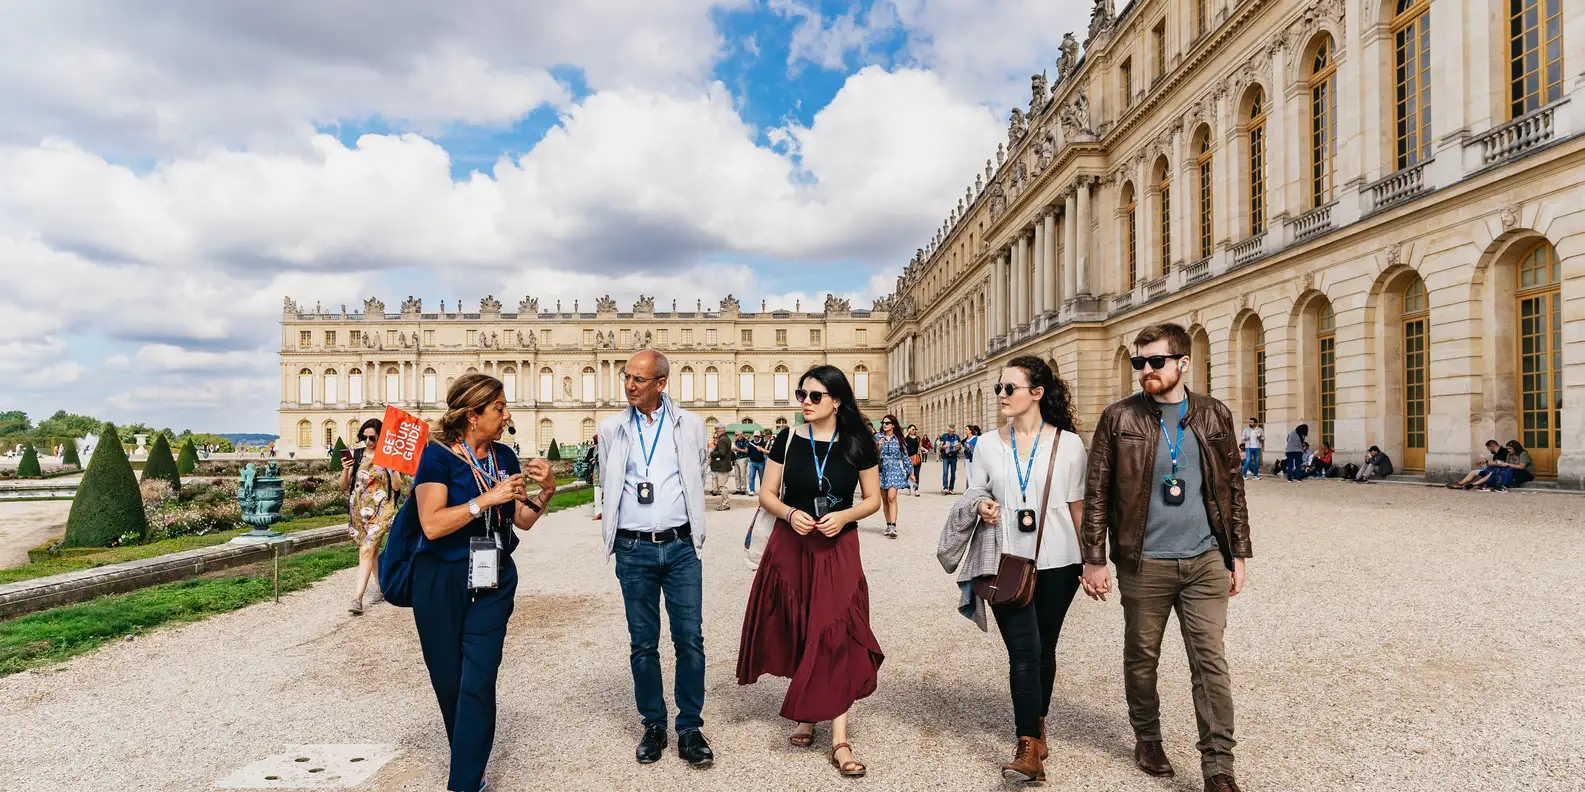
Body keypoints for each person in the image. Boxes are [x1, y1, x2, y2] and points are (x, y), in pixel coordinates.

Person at [1080, 324, 1252, 792]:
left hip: (1205, 560)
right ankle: (1148, 738)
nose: (1146, 370)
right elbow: (1096, 491)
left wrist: (1238, 553)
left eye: (1156, 361)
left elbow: (1232, 488)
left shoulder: (1214, 414)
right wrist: (1093, 558)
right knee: (1142, 656)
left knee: (1210, 660)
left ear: (1183, 364)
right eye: (1140, 362)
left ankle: (1218, 766)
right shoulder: (1119, 418)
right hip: (1144, 560)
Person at [399, 373, 558, 792]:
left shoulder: (504, 456)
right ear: (473, 415)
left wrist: (546, 494)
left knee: (478, 680)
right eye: (500, 408)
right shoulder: (435, 459)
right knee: (449, 682)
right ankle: (470, 757)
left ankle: (465, 783)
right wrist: (484, 500)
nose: (508, 415)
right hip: (440, 580)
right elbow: (432, 526)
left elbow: (521, 518)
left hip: (493, 579)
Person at [944, 357, 1087, 784]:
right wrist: (981, 504)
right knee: (1023, 651)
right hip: (1004, 560)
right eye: (999, 389)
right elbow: (974, 490)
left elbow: (1078, 506)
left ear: (1037, 393)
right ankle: (1027, 744)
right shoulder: (987, 444)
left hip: (1060, 559)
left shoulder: (1069, 444)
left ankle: (1037, 724)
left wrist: (1094, 560)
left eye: (1010, 388)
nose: (1002, 395)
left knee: (1045, 650)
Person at [738, 365, 883, 779]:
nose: (805, 401)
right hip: (793, 544)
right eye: (802, 394)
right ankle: (806, 713)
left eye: (815, 396)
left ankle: (839, 737)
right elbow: (767, 493)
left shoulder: (858, 443)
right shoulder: (786, 439)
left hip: (837, 545)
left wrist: (845, 515)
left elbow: (872, 499)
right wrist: (790, 512)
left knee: (834, 630)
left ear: (836, 400)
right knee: (801, 625)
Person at [597, 350, 715, 767]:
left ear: (661, 384)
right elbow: (606, 477)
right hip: (633, 548)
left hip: (681, 546)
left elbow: (697, 472)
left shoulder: (690, 425)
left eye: (638, 380)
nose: (628, 385)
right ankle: (653, 723)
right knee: (643, 644)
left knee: (690, 639)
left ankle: (689, 727)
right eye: (626, 377)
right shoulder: (611, 428)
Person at [341, 418, 406, 614]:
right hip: (359, 510)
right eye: (364, 437)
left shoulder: (388, 456)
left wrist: (393, 467)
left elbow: (396, 487)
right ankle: (381, 589)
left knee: (367, 550)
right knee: (373, 551)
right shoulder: (357, 455)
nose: (367, 441)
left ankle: (357, 599)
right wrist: (345, 470)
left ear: (381, 437)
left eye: (372, 437)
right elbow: (344, 486)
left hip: (382, 510)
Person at [874, 415, 910, 537]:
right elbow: (872, 455)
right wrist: (879, 446)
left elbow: (905, 456)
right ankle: (888, 524)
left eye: (887, 423)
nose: (884, 425)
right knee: (884, 500)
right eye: (883, 422)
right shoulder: (878, 437)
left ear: (893, 424)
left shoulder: (899, 439)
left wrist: (910, 471)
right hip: (881, 469)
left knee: (891, 497)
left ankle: (893, 526)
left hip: (894, 468)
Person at [709, 426, 733, 508]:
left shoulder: (722, 439)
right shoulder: (726, 438)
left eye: (716, 431)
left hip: (722, 466)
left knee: (722, 486)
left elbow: (722, 453)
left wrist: (712, 453)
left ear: (720, 430)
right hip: (725, 465)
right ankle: (725, 503)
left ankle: (725, 504)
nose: (716, 432)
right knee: (722, 485)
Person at [937, 425, 963, 494]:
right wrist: (944, 446)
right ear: (948, 431)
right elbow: (940, 446)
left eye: (953, 431)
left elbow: (960, 445)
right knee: (945, 472)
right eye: (951, 431)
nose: (952, 433)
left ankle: (951, 488)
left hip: (954, 456)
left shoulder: (956, 436)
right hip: (946, 456)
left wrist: (957, 447)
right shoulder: (944, 436)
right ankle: (945, 488)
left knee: (953, 473)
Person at [583, 436, 602, 520]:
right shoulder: (609, 446)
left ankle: (599, 512)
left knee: (597, 492)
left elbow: (586, 459)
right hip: (605, 472)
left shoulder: (593, 448)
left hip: (598, 472)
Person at [747, 430, 769, 494]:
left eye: (757, 436)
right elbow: (749, 452)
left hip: (761, 462)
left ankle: (762, 491)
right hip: (752, 462)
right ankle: (752, 490)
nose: (756, 438)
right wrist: (751, 458)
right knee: (751, 477)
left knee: (762, 477)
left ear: (760, 436)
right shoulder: (751, 443)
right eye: (755, 436)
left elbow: (765, 452)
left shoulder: (763, 443)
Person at [905, 425, 924, 496]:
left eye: (914, 429)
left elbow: (920, 447)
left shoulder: (918, 438)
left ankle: (916, 489)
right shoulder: (906, 437)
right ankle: (908, 488)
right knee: (908, 474)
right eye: (912, 429)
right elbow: (902, 440)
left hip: (916, 458)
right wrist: (908, 432)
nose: (913, 430)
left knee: (916, 474)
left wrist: (925, 449)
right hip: (908, 458)